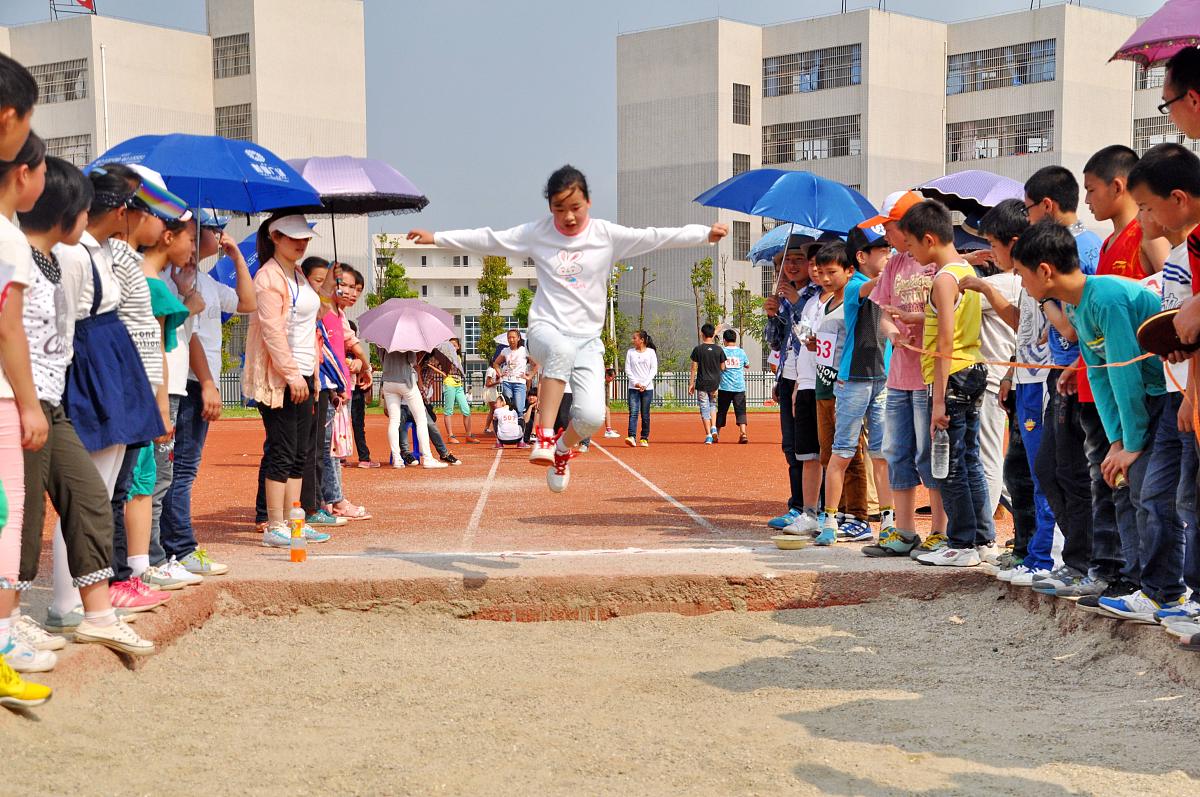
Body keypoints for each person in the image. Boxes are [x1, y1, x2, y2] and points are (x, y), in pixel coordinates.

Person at [408, 165, 725, 491]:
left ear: (588, 201)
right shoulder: (538, 233)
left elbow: (654, 236)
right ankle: (543, 436)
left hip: (588, 340)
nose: (569, 217)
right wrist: (437, 238)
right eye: (560, 209)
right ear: (550, 208)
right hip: (546, 328)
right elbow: (492, 239)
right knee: (557, 350)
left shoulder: (606, 235)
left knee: (591, 418)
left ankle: (561, 450)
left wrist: (704, 234)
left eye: (575, 208)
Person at [13, 155, 154, 660]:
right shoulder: (20, 254)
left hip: (50, 401)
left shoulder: (58, 256)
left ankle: (98, 616)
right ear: (67, 213)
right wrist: (27, 402)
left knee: (91, 497)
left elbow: (62, 332)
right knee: (24, 515)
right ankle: (10, 621)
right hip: (18, 403)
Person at [1013, 221, 1191, 622]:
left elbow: (1126, 375)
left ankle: (1167, 593)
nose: (1022, 284)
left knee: (1152, 493)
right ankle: (1139, 584)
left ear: (1044, 270)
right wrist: (1115, 441)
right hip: (1136, 409)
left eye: (1022, 275)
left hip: (1161, 397)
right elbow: (1099, 373)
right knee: (1124, 487)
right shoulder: (1077, 305)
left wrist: (1130, 443)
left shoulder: (1106, 298)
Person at [56, 164, 171, 616]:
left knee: (103, 495)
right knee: (88, 496)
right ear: (121, 210)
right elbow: (68, 322)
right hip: (90, 368)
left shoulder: (102, 251)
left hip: (111, 366)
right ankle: (70, 602)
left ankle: (88, 596)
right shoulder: (76, 253)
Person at [962, 200, 1060, 584]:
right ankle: (1028, 549)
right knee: (1020, 470)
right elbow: (1023, 329)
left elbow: (1058, 330)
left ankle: (1042, 554)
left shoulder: (1032, 274)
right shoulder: (1020, 277)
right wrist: (1010, 376)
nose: (989, 251)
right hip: (1023, 379)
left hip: (1047, 383)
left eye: (992, 243)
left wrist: (984, 286)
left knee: (1039, 472)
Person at [160, 215, 254, 576]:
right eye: (216, 229)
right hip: (187, 381)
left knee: (180, 470)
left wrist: (238, 259)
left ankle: (173, 548)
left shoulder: (208, 282)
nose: (222, 234)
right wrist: (207, 383)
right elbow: (191, 335)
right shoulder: (175, 279)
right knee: (179, 470)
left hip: (200, 380)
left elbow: (247, 303)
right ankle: (179, 548)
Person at [902, 200, 993, 568]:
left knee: (951, 464)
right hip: (971, 369)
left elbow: (943, 341)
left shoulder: (943, 278)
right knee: (969, 458)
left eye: (909, 244)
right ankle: (982, 538)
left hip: (951, 376)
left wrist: (937, 400)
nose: (908, 251)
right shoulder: (964, 270)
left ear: (928, 238)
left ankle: (962, 541)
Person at [1025, 166, 1103, 585]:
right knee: (1051, 468)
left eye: (1030, 209)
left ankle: (1082, 563)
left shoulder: (1084, 248)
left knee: (1074, 472)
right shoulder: (1075, 244)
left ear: (1048, 206)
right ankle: (1079, 561)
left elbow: (1075, 326)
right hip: (1062, 375)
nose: (1029, 218)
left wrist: (1044, 303)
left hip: (1085, 373)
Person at [243, 214, 334, 548]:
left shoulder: (297, 274)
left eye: (306, 238)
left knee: (300, 452)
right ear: (275, 237)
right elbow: (271, 331)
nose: (302, 243)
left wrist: (325, 290)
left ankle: (296, 519)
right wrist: (292, 374)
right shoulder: (268, 276)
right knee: (281, 450)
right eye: (294, 237)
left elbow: (315, 316)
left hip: (307, 372)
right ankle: (275, 524)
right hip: (279, 375)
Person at [864, 191, 945, 556]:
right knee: (897, 451)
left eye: (890, 228)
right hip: (898, 376)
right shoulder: (895, 265)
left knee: (930, 454)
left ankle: (940, 530)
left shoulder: (935, 264)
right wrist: (892, 331)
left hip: (930, 375)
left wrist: (919, 322)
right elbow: (883, 312)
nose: (886, 236)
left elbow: (951, 316)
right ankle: (905, 530)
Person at [0, 132, 51, 675]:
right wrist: (30, 405)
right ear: (22, 174)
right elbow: (9, 330)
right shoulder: (10, 239)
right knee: (7, 516)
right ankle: (4, 640)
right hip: (2, 395)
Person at [764, 240, 823, 533]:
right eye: (786, 262)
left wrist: (795, 304)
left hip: (807, 378)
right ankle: (796, 506)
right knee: (791, 447)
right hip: (787, 377)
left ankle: (813, 507)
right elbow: (776, 341)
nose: (792, 266)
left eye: (798, 260)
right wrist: (774, 314)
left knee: (809, 446)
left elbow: (809, 336)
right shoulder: (784, 296)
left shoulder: (815, 294)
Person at [1084, 145, 1169, 281]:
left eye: (1091, 190)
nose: (1086, 200)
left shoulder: (1149, 234)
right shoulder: (1107, 243)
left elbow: (1173, 292)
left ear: (1117, 187)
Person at [380, 347, 450, 471]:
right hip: (405, 380)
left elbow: (382, 359)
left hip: (388, 381)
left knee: (394, 421)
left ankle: (397, 459)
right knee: (421, 419)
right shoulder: (407, 339)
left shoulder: (382, 342)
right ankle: (428, 458)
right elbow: (412, 360)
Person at [690, 323, 724, 444]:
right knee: (713, 405)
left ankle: (709, 435)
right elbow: (723, 367)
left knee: (704, 407)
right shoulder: (719, 349)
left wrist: (691, 383)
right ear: (712, 334)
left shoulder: (698, 349)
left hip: (702, 383)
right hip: (715, 383)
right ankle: (714, 427)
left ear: (702, 334)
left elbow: (694, 368)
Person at [440, 337, 477, 444]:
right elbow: (435, 365)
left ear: (458, 347)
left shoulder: (458, 358)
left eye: (454, 345)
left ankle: (468, 435)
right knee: (448, 411)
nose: (452, 347)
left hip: (459, 386)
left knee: (467, 410)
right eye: (450, 345)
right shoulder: (444, 357)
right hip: (449, 385)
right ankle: (450, 435)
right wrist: (442, 373)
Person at [624, 329, 657, 447]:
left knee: (645, 413)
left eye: (635, 338)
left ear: (642, 340)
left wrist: (645, 384)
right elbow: (628, 369)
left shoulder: (651, 352)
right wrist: (636, 383)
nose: (632, 340)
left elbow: (653, 370)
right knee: (633, 412)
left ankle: (644, 438)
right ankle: (632, 436)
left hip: (647, 389)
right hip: (633, 388)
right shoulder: (630, 352)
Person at [716, 329, 749, 444]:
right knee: (740, 410)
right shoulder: (741, 352)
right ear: (735, 339)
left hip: (724, 386)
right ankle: (743, 433)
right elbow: (747, 365)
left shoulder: (721, 351)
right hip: (739, 387)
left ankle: (717, 434)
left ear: (724, 340)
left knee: (721, 411)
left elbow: (719, 366)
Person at [493, 329, 531, 426]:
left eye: (513, 337)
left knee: (519, 408)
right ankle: (509, 430)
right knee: (508, 406)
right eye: (509, 337)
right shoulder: (505, 351)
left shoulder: (524, 350)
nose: (511, 339)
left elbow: (536, 364)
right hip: (507, 382)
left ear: (518, 338)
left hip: (519, 383)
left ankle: (521, 434)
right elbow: (496, 363)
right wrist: (500, 373)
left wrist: (529, 376)